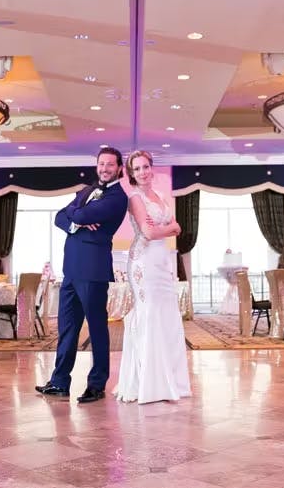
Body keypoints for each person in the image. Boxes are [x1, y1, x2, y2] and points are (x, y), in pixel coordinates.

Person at [36, 147, 129, 404]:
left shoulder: (118, 197)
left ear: (119, 168)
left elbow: (76, 213)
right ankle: (59, 382)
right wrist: (76, 220)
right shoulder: (88, 190)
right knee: (67, 329)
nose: (105, 168)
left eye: (110, 164)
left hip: (94, 270)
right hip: (71, 271)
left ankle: (97, 384)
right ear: (96, 165)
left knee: (97, 329)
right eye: (101, 163)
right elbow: (59, 217)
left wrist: (75, 216)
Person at [114, 150, 191, 404]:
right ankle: (149, 384)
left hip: (162, 262)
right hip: (143, 262)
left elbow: (174, 226)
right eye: (136, 169)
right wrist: (169, 228)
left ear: (151, 168)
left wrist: (164, 229)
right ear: (131, 173)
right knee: (149, 314)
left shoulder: (160, 196)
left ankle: (172, 381)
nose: (142, 172)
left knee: (167, 316)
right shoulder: (134, 198)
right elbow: (147, 232)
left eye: (145, 166)